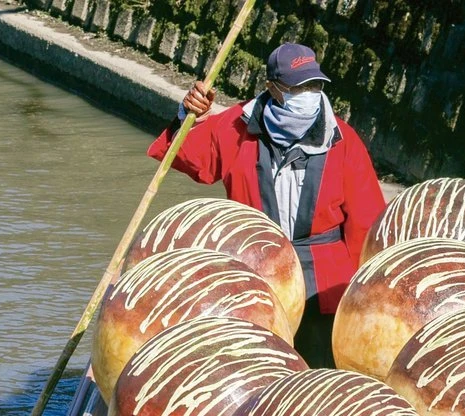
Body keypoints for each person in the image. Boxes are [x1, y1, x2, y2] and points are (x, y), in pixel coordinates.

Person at [148, 42, 386, 367]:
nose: (309, 93)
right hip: (255, 271)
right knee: (257, 368)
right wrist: (187, 117)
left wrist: (369, 290)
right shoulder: (237, 126)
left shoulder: (342, 139)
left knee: (318, 374)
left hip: (325, 283)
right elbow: (189, 156)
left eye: (314, 85)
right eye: (298, 87)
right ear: (273, 88)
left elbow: (368, 222)